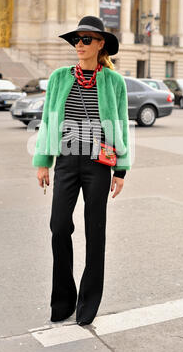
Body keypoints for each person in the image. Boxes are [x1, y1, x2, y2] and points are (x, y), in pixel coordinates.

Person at [32, 16, 131, 326]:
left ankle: (88, 302)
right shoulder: (60, 77)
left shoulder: (114, 82)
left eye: (86, 39)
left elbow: (121, 126)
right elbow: (48, 121)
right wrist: (42, 161)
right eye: (77, 39)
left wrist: (121, 170)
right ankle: (63, 300)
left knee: (95, 231)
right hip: (66, 161)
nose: (79, 44)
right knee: (59, 227)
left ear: (100, 44)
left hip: (98, 165)